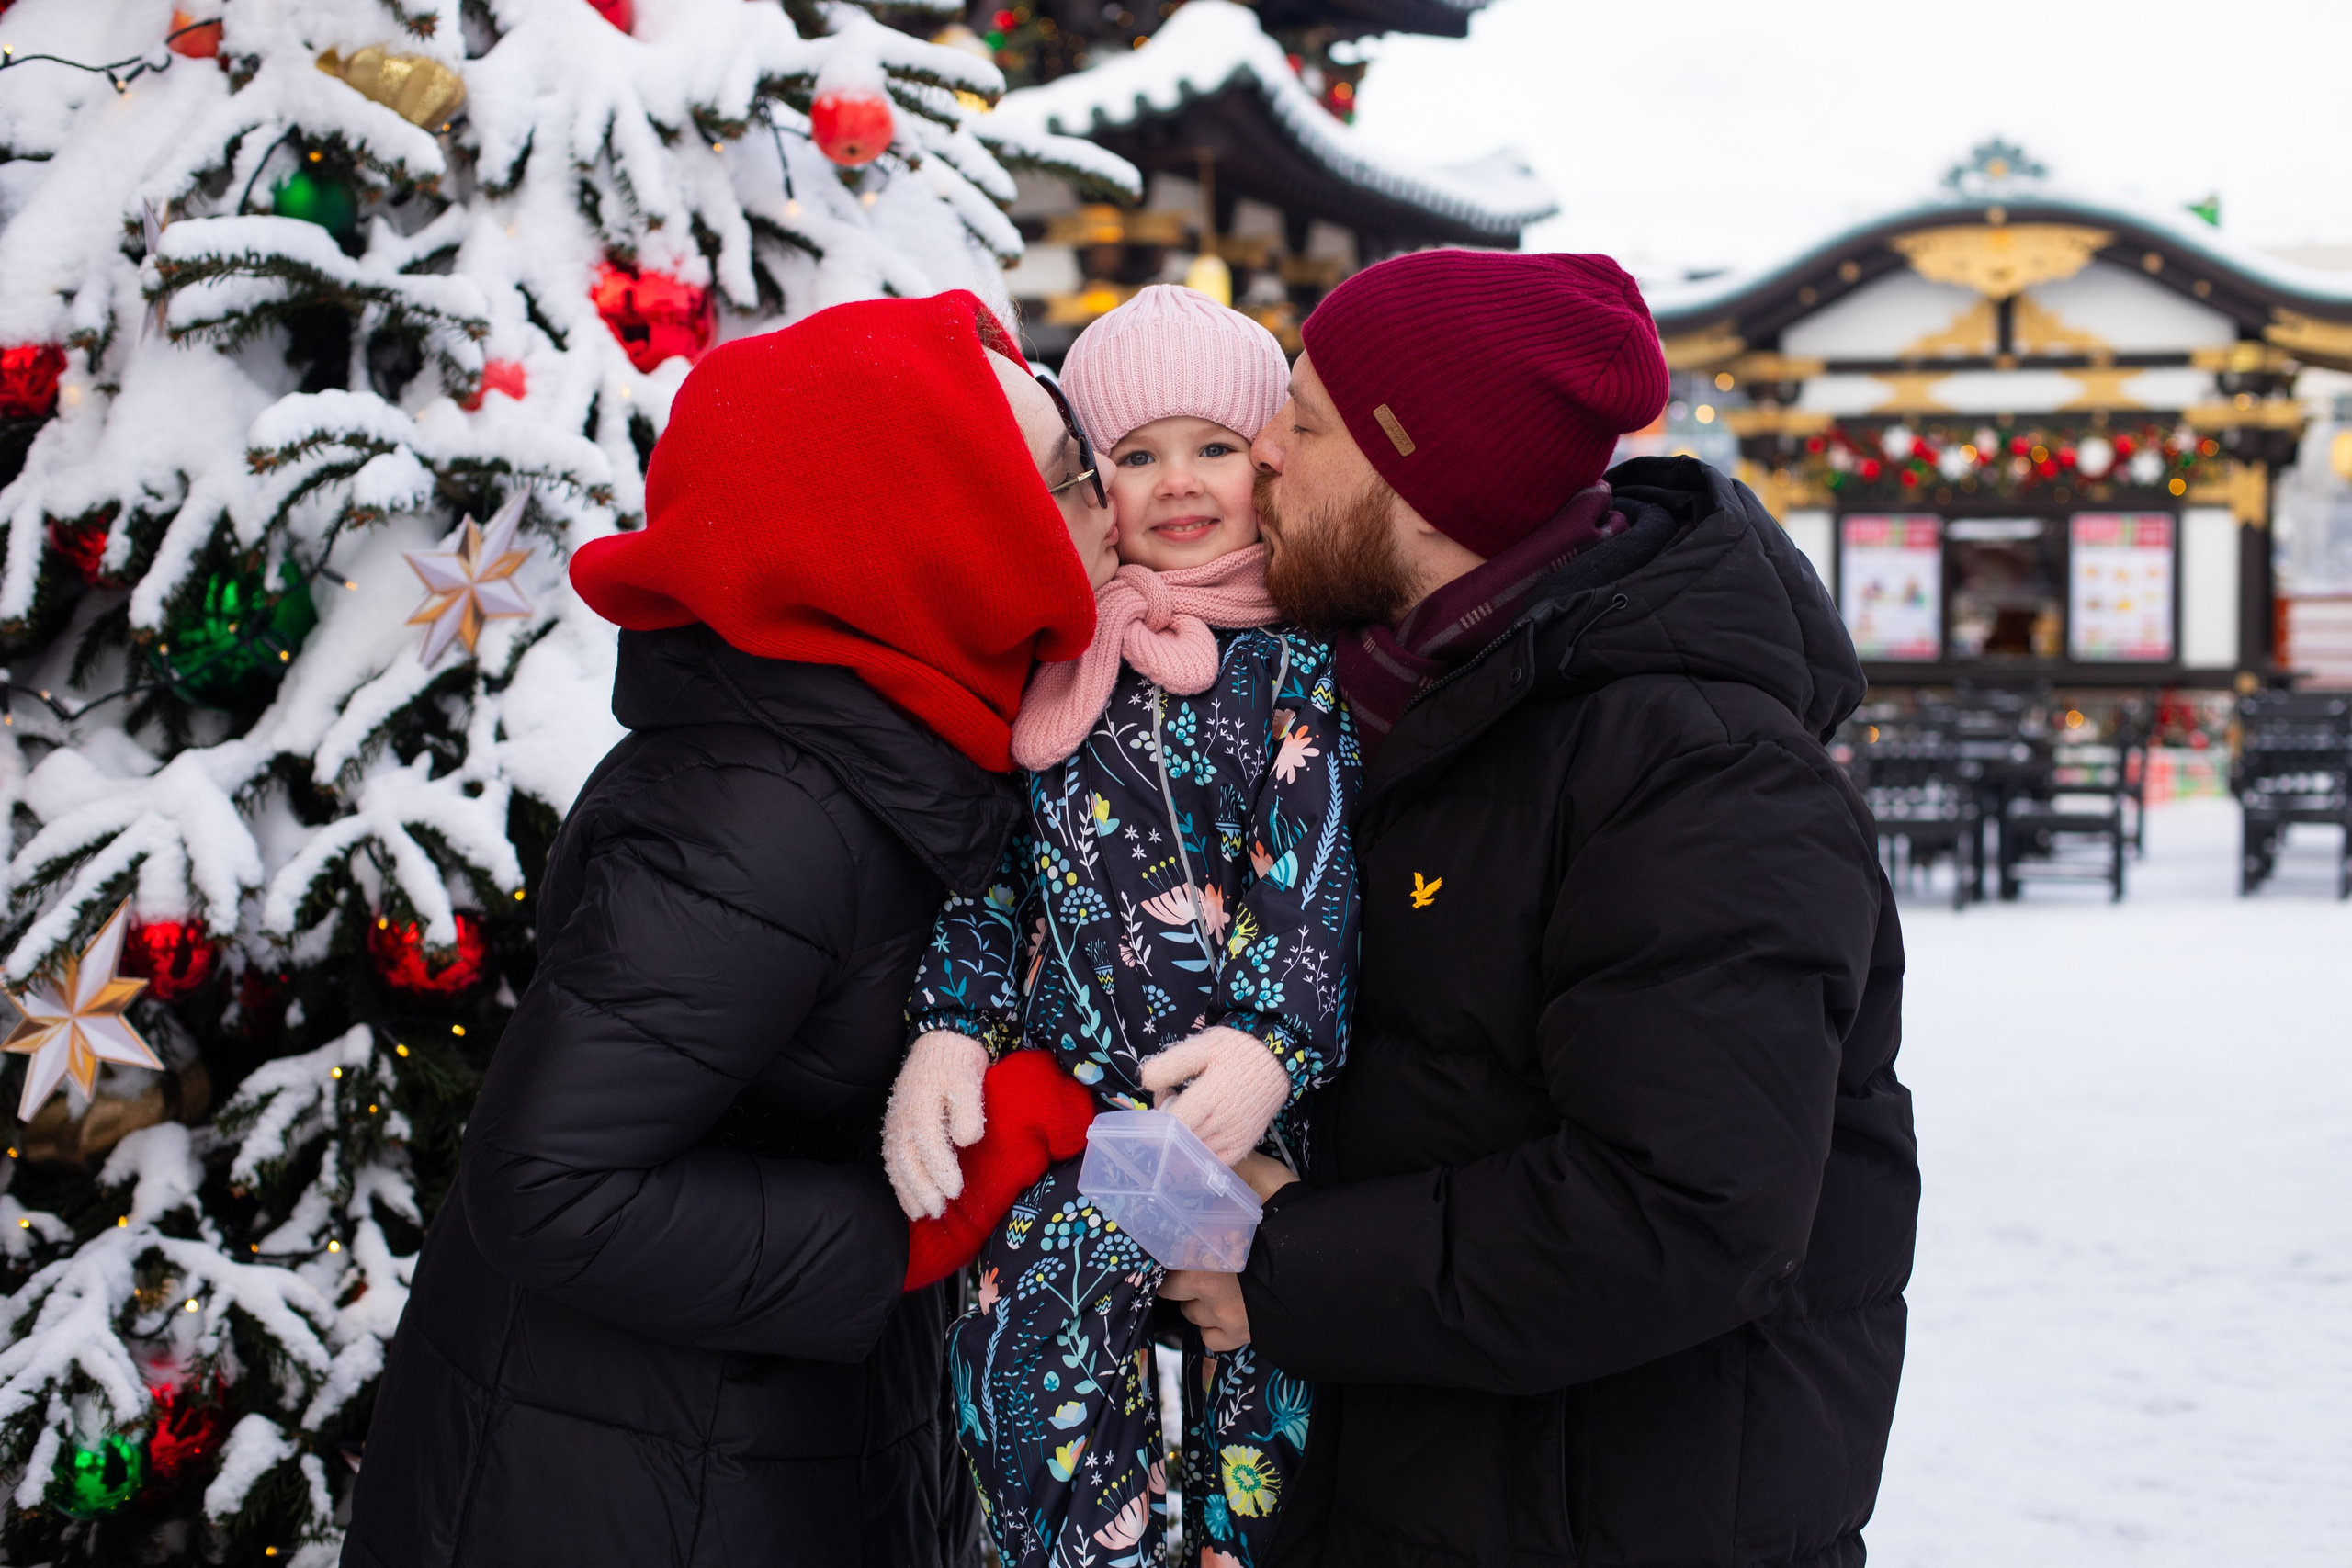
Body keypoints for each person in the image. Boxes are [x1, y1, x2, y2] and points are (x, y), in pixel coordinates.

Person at [1159, 250, 1918, 1567]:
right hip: (1422, 1490)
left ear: (1429, 483)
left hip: (1614, 1519)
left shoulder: (1699, 773)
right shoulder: (1372, 714)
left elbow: (1690, 1209)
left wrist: (1282, 1265)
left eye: (1308, 422)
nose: (1261, 452)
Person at [342, 291, 1112, 1568]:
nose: (1111, 503)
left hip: (751, 1451)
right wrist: (908, 1233)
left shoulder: (892, 756)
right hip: (628, 1488)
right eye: (1074, 473)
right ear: (954, 535)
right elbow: (548, 1184)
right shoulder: (761, 813)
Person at [882, 285, 1362, 1568]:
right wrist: (952, 1026)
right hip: (1084, 1114)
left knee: (1251, 1374)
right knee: (1028, 1338)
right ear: (1095, 488)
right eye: (1137, 457)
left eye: (1214, 446)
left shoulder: (1300, 662)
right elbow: (995, 875)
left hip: (1240, 1124)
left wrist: (1270, 1048)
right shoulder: (1058, 665)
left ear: (1266, 461)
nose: (1179, 482)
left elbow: (1311, 874)